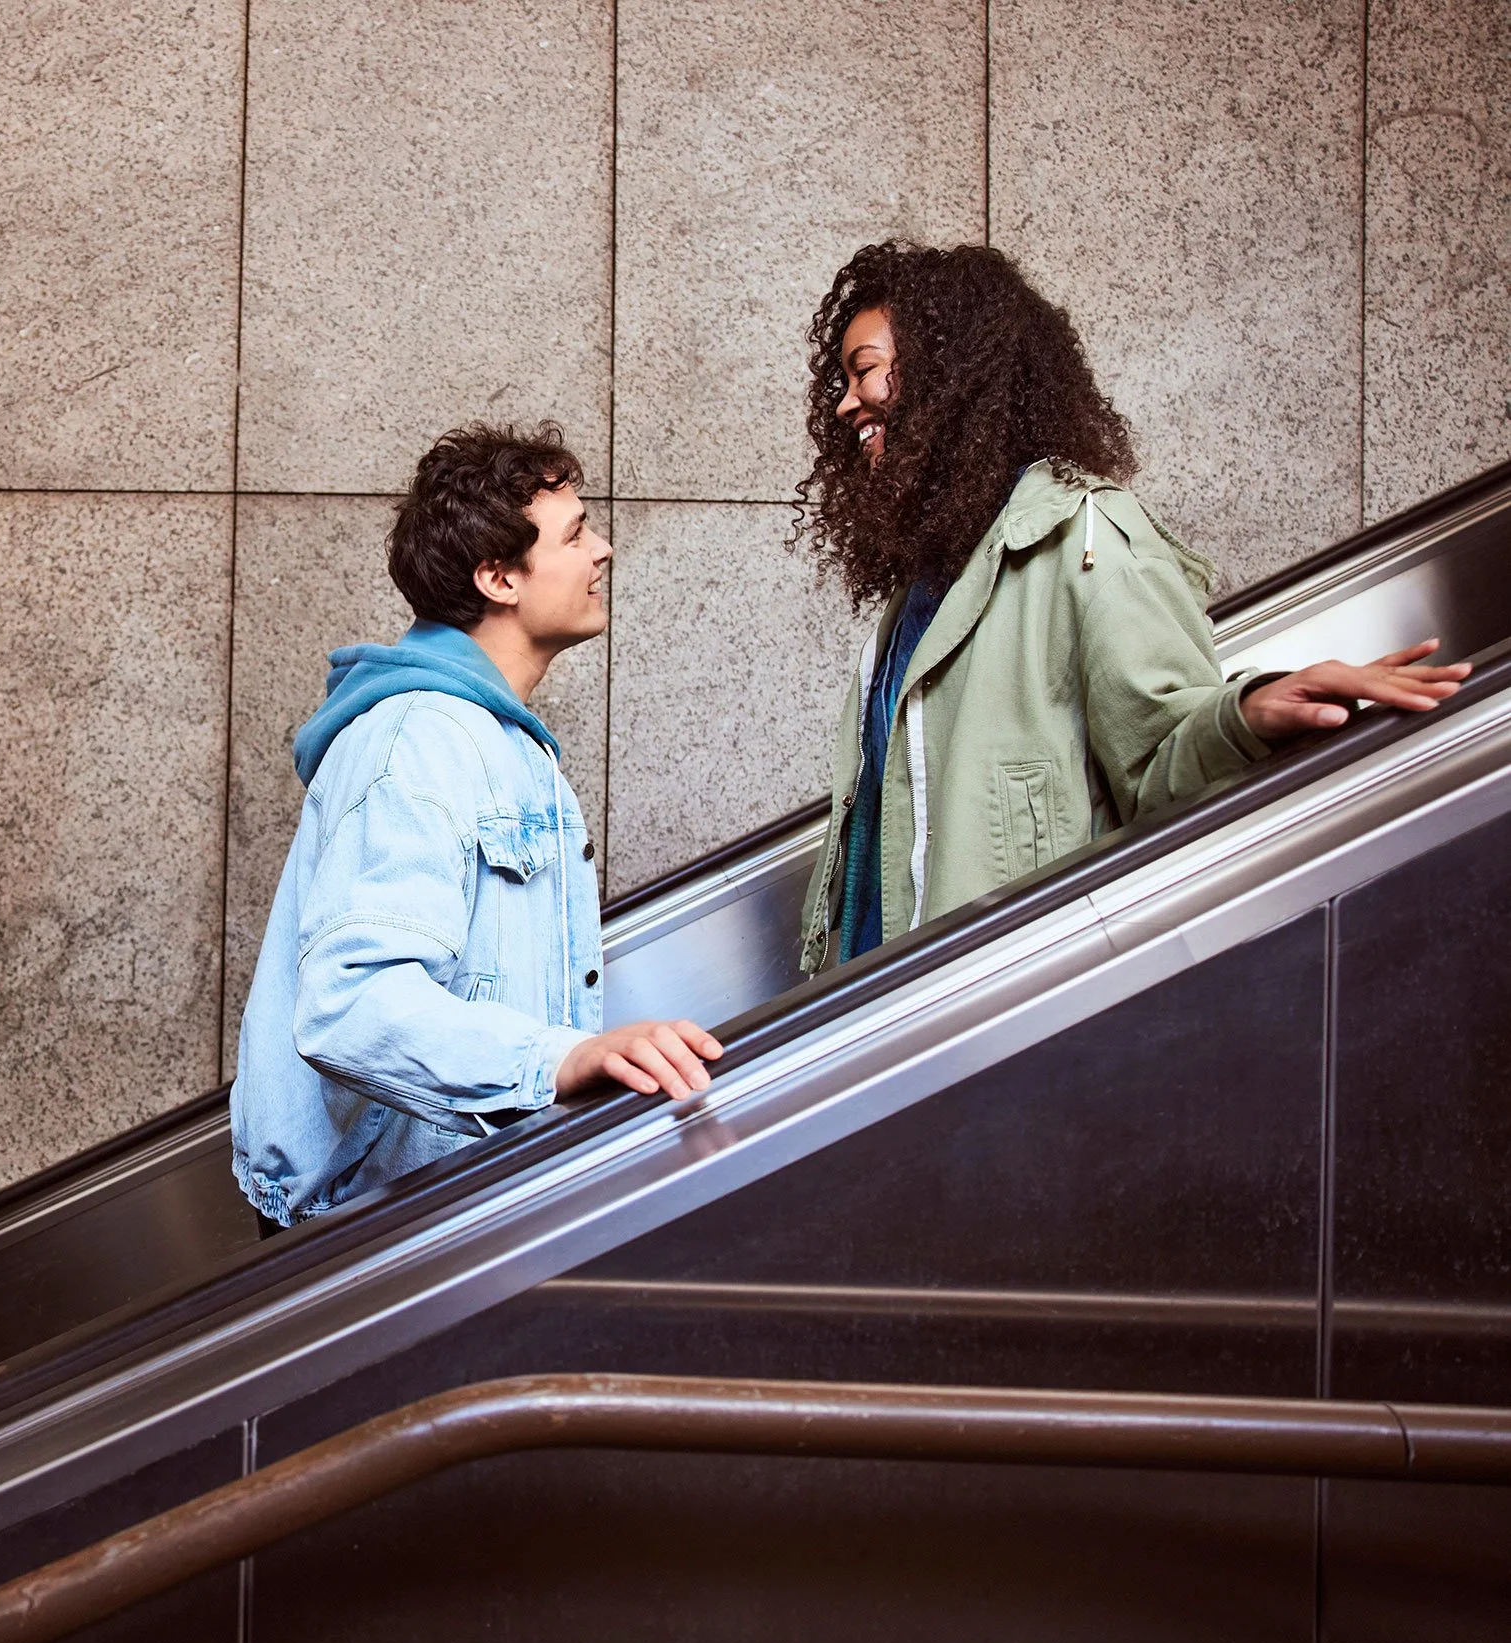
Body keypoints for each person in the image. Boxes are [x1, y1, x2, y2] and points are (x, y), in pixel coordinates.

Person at [792, 241, 1469, 971]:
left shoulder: (1087, 536)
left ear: (945, 368)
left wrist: (1248, 712)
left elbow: (1158, 765)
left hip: (996, 1011)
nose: (846, 400)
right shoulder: (928, 580)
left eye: (863, 370)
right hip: (880, 1003)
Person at [233, 423, 723, 1232]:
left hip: (455, 1209)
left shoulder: (495, 739)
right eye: (574, 533)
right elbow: (350, 1002)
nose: (601, 550)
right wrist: (558, 1059)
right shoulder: (419, 741)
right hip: (372, 1232)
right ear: (499, 577)